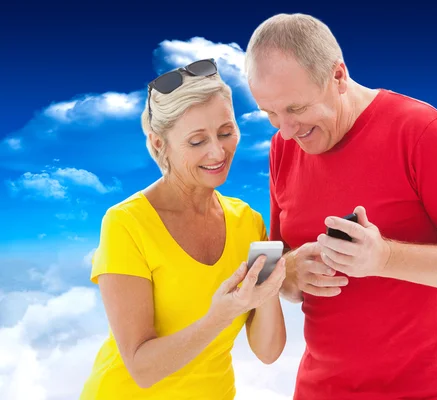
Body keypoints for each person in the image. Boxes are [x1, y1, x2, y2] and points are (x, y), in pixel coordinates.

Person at [244, 13, 437, 400]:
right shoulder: (283, 147)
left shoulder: (423, 131)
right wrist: (289, 270)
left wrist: (385, 258)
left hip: (420, 389)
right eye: (270, 114)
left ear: (338, 76)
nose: (286, 130)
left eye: (296, 109)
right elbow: (280, 261)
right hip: (319, 387)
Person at [79, 59, 287, 400]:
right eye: (196, 141)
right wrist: (221, 315)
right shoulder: (126, 223)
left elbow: (268, 351)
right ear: (160, 144)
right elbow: (142, 369)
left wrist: (271, 285)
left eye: (225, 132)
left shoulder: (248, 222)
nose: (217, 151)